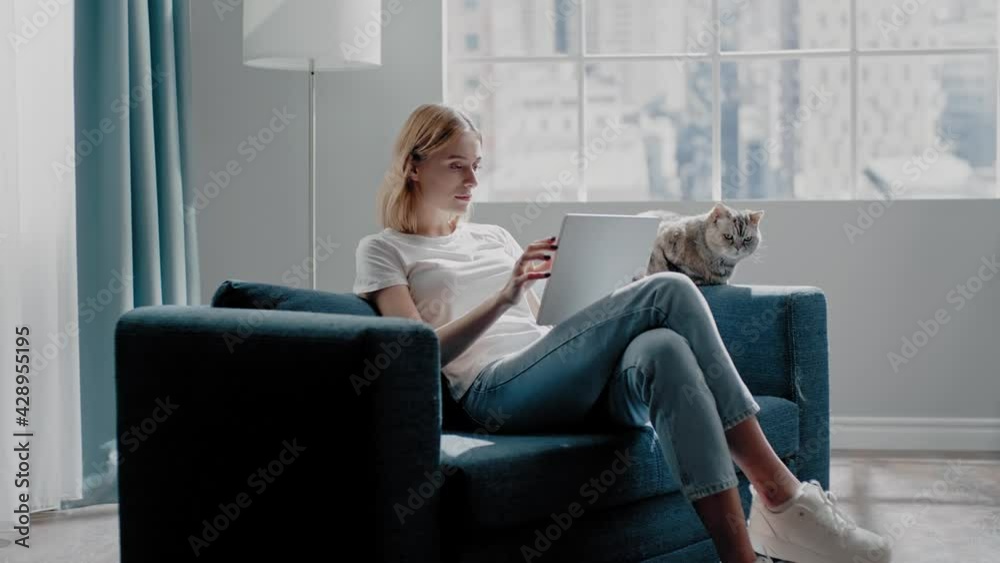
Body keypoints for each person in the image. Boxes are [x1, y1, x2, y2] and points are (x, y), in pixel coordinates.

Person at [353, 103, 893, 563]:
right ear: (414, 165)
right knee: (671, 290)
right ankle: (780, 492)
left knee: (662, 347)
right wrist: (504, 296)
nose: (473, 180)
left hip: (548, 375)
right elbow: (412, 355)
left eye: (477, 166)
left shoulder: (493, 235)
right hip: (494, 392)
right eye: (457, 167)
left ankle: (739, 557)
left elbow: (552, 330)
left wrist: (609, 298)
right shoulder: (384, 250)